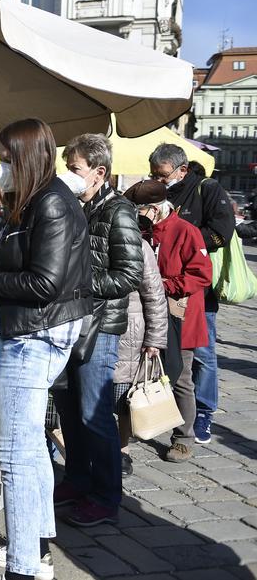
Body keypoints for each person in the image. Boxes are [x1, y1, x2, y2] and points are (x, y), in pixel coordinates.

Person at [0, 118, 92, 580]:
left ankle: (23, 566)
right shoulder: (35, 200)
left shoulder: (51, 203)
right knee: (30, 448)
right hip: (35, 332)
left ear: (26, 159)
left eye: (6, 161)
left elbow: (44, 281)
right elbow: (22, 255)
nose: (1, 170)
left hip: (33, 336)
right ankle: (38, 551)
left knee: (14, 454)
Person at [54, 133, 143, 526]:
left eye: (74, 170)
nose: (69, 177)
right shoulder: (80, 206)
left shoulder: (119, 212)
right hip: (72, 322)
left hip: (100, 328)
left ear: (99, 172)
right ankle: (77, 478)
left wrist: (81, 284)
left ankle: (106, 496)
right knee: (69, 410)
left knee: (95, 414)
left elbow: (130, 275)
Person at [149, 144, 233, 445]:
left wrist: (188, 235)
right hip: (165, 298)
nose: (158, 181)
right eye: (154, 175)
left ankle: (203, 413)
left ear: (181, 170)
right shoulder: (157, 194)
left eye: (163, 175)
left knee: (202, 357)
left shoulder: (206, 189)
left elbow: (223, 231)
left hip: (195, 295)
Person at [125, 179, 213, 462]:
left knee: (181, 377)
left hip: (180, 315)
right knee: (137, 373)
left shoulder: (186, 231)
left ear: (156, 208)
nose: (141, 215)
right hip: (147, 313)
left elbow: (202, 274)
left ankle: (183, 438)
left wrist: (164, 284)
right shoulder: (141, 232)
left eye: (145, 210)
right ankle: (137, 425)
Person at [113, 230, 167, 477]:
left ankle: (122, 451)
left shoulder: (139, 244)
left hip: (130, 336)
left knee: (125, 400)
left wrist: (155, 339)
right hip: (95, 332)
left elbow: (155, 295)